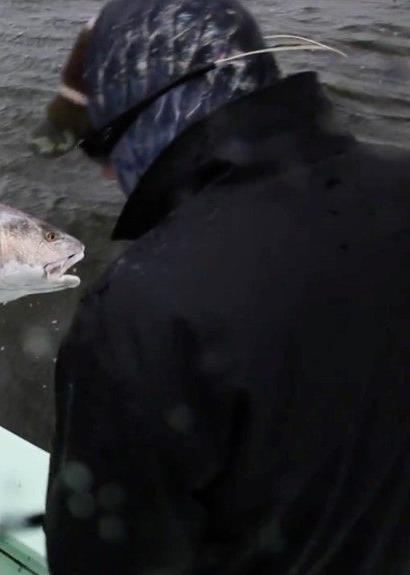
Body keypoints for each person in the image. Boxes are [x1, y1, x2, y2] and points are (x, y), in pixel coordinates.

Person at [38, 0, 410, 573]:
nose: (107, 171)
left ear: (157, 112)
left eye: (99, 140)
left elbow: (102, 558)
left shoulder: (141, 310)